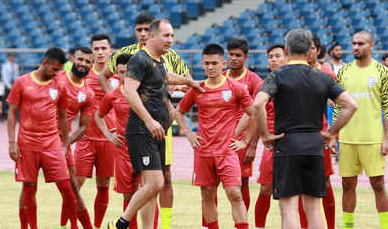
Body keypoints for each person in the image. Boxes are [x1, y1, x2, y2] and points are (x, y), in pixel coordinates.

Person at [253, 29, 357, 229]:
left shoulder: (277, 75)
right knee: (313, 208)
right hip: (314, 146)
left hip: (287, 145)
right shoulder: (323, 77)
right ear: (310, 51)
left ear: (286, 49)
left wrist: (265, 134)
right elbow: (351, 105)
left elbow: (258, 104)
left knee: (289, 208)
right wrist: (331, 132)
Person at [100, 12, 192, 229]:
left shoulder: (169, 55)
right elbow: (104, 76)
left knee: (163, 178)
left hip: (161, 126)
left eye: (145, 30)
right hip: (138, 125)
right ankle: (124, 224)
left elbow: (184, 83)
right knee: (140, 182)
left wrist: (176, 87)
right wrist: (116, 102)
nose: (142, 34)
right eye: (139, 30)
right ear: (137, 31)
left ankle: (164, 225)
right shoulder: (126, 54)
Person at [175, 44, 253, 229]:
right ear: (202, 64)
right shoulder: (198, 89)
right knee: (207, 195)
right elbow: (178, 111)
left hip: (226, 152)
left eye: (214, 63)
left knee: (235, 193)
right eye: (207, 63)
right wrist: (188, 133)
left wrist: (245, 141)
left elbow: (254, 113)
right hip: (203, 152)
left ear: (223, 64)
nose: (210, 67)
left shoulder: (236, 88)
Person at [7, 47, 79, 229]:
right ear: (45, 63)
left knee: (67, 189)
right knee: (30, 189)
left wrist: (65, 143)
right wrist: (11, 143)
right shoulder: (22, 82)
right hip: (27, 143)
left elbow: (62, 115)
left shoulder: (59, 85)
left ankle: (73, 226)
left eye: (60, 70)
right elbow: (11, 113)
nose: (57, 74)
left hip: (51, 142)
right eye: (55, 69)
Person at [334, 31, 388, 229]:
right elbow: (338, 107)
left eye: (361, 44)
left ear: (371, 46)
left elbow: (387, 108)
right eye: (354, 43)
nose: (356, 47)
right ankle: (348, 226)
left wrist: (386, 139)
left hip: (373, 139)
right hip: (347, 139)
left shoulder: (382, 72)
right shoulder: (344, 71)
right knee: (347, 185)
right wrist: (333, 135)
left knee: (378, 185)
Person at [73, 34, 115, 229]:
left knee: (104, 186)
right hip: (86, 138)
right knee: (75, 185)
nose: (100, 52)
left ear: (110, 51)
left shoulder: (118, 76)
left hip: (109, 139)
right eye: (96, 49)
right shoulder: (83, 74)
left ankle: (97, 226)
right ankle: (69, 224)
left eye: (103, 48)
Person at [95, 53, 140, 229]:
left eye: (127, 72)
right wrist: (109, 135)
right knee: (128, 195)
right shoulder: (113, 95)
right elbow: (98, 116)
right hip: (123, 151)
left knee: (148, 193)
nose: (123, 76)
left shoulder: (145, 92)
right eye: (120, 72)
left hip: (144, 148)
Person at [297, 34, 337, 229]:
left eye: (311, 48)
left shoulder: (327, 74)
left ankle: (330, 226)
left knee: (325, 183)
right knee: (299, 186)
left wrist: (333, 134)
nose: (308, 52)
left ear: (318, 51)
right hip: (296, 136)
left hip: (320, 136)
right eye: (305, 48)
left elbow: (340, 105)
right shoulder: (293, 72)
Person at [57, 47, 96, 229]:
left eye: (88, 62)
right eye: (80, 59)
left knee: (72, 188)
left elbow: (83, 127)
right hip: (38, 137)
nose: (83, 64)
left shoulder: (88, 93)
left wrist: (65, 144)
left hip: (62, 143)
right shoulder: (56, 78)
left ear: (92, 65)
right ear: (72, 59)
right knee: (29, 185)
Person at [254, 44, 287, 229]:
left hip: (293, 142)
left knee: (295, 192)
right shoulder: (264, 85)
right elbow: (255, 112)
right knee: (265, 188)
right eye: (270, 56)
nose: (273, 59)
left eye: (277, 56)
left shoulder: (296, 82)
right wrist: (262, 136)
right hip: (272, 144)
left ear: (287, 57)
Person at [1, 53, 19, 119]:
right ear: (8, 57)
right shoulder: (5, 66)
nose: (12, 58)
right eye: (11, 57)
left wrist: (15, 85)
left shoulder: (16, 66)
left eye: (13, 57)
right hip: (7, 85)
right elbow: (4, 77)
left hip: (14, 85)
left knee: (16, 100)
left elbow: (17, 75)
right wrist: (9, 86)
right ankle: (3, 116)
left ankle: (16, 115)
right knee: (5, 100)